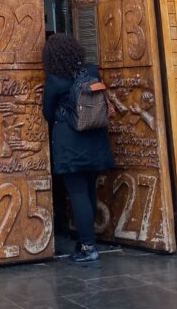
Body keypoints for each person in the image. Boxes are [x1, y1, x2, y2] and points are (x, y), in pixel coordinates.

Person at [42, 33, 114, 266]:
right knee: (89, 191)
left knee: (77, 194)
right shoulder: (92, 71)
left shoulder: (55, 80)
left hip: (70, 144)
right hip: (95, 141)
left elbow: (48, 113)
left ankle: (88, 247)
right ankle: (86, 240)